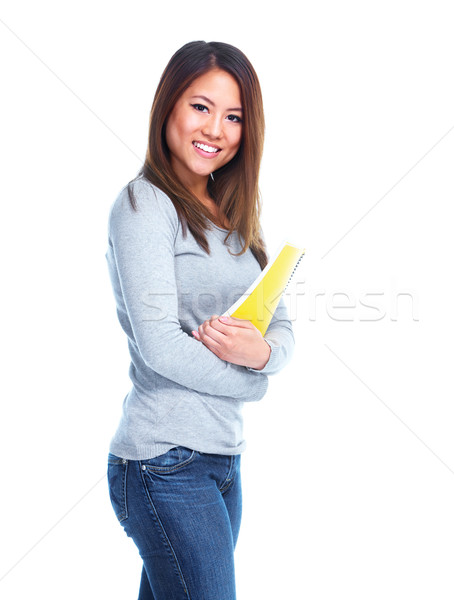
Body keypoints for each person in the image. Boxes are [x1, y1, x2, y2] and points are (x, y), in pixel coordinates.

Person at [105, 40, 295, 600]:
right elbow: (160, 344)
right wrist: (252, 383)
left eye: (234, 116)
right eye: (200, 106)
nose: (216, 128)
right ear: (168, 107)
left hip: (222, 459)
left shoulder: (236, 217)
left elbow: (280, 326)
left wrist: (260, 354)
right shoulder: (143, 206)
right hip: (164, 461)